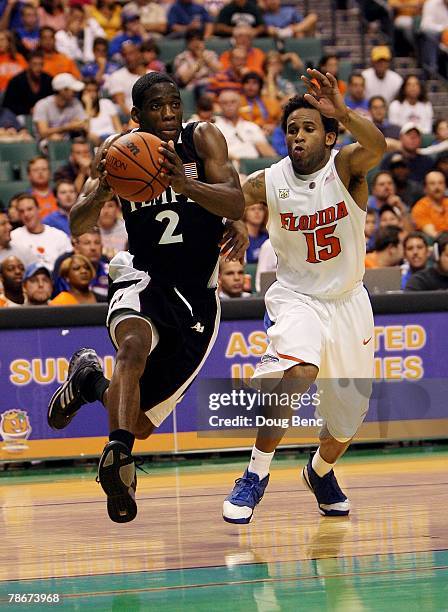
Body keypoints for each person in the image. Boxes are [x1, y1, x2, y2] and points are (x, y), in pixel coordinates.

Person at [46, 72, 246, 523]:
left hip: (197, 294)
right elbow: (78, 225)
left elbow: (236, 204)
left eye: (174, 104)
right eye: (157, 107)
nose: (170, 114)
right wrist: (100, 188)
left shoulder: (203, 138)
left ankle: (87, 383)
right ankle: (118, 454)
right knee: (132, 348)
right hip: (142, 274)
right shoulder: (119, 151)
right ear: (137, 115)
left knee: (138, 420)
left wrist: (189, 184)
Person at [222, 69, 387, 524]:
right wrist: (236, 216)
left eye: (309, 127)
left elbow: (378, 147)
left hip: (349, 303)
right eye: (292, 129)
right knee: (299, 370)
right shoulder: (270, 181)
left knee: (344, 426)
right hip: (297, 297)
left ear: (330, 135)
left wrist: (346, 112)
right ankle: (255, 475)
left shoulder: (348, 168)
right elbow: (229, 193)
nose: (298, 135)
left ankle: (319, 472)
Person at [214, 89, 276, 167]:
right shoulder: (215, 128)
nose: (229, 105)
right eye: (225, 103)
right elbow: (216, 153)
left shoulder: (251, 126)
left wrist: (276, 163)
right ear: (219, 106)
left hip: (255, 166)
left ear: (239, 104)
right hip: (230, 167)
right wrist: (237, 160)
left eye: (233, 102)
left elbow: (265, 149)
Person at [10, 193, 72, 270]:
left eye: (29, 209)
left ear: (39, 209)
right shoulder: (14, 237)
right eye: (22, 211)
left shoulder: (59, 236)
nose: (26, 214)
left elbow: (69, 264)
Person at [52, 228, 110, 300]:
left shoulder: (110, 271)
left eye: (97, 243)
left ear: (102, 247)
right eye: (87, 243)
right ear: (76, 248)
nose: (93, 248)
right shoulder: (65, 270)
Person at [33, 73, 87, 143]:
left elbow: (84, 123)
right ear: (63, 90)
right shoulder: (42, 105)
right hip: (44, 142)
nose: (75, 93)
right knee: (55, 138)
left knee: (86, 138)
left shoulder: (75, 102)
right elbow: (43, 132)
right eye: (73, 91)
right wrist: (66, 127)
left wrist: (80, 125)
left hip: (69, 140)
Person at [2, 50, 53, 117]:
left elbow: (52, 100)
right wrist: (28, 110)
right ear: (28, 64)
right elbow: (8, 105)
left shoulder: (48, 80)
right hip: (20, 116)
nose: (38, 67)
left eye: (41, 64)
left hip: (45, 116)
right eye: (35, 64)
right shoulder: (16, 81)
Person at [105, 42, 147, 118]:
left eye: (131, 53)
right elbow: (121, 104)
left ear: (139, 53)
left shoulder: (152, 75)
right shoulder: (116, 76)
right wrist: (135, 119)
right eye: (125, 55)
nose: (128, 57)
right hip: (131, 118)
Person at [81, 79, 123, 146]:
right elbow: (86, 130)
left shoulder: (106, 103)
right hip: (95, 143)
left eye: (94, 91)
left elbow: (118, 127)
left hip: (112, 140)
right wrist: (88, 106)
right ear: (82, 93)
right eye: (88, 91)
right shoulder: (79, 109)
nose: (92, 94)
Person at [411, 171, 448, 237]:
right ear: (425, 188)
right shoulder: (420, 207)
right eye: (432, 183)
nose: (437, 187)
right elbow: (433, 235)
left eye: (440, 183)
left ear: (445, 186)